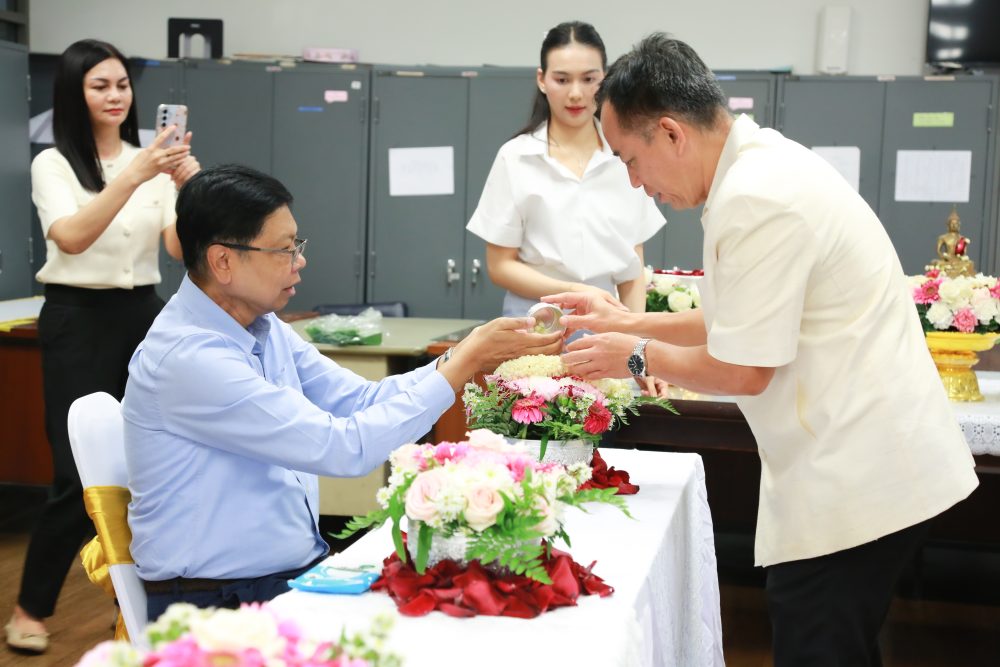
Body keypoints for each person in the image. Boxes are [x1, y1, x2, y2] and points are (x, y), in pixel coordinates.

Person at [545, 34, 979, 666]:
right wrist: (628, 319)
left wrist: (634, 355)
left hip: (858, 477)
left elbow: (745, 369)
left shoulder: (756, 197)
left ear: (671, 133)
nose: (637, 185)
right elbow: (738, 317)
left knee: (818, 646)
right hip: (863, 464)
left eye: (632, 161)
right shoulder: (759, 164)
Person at [122, 164, 563, 620]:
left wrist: (461, 355)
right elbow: (343, 448)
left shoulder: (263, 325)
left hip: (284, 576)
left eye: (297, 245)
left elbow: (362, 401)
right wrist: (464, 365)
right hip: (217, 603)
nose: (299, 261)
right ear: (223, 262)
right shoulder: (189, 357)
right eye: (284, 249)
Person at [6, 39, 200, 654]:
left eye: (122, 84)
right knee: (75, 475)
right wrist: (135, 176)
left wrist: (189, 185)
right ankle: (31, 608)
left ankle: (143, 609)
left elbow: (178, 250)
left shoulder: (152, 161)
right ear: (75, 93)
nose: (116, 96)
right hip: (77, 318)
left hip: (144, 314)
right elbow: (70, 237)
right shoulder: (54, 163)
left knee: (151, 464)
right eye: (100, 86)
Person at [466, 21, 665, 317]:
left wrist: (633, 328)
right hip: (536, 316)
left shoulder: (625, 155)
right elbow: (500, 266)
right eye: (562, 80)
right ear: (542, 80)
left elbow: (632, 264)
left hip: (607, 315)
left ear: (605, 79)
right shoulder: (516, 157)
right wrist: (574, 291)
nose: (575, 93)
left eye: (589, 79)